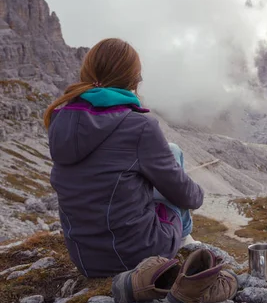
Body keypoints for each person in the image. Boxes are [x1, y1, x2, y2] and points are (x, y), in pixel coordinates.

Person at [45, 38, 204, 278]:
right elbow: (184, 194)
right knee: (173, 154)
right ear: (133, 80)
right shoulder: (139, 125)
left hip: (85, 259)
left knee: (153, 160)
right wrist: (199, 194)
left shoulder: (59, 120)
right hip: (137, 255)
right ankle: (186, 244)